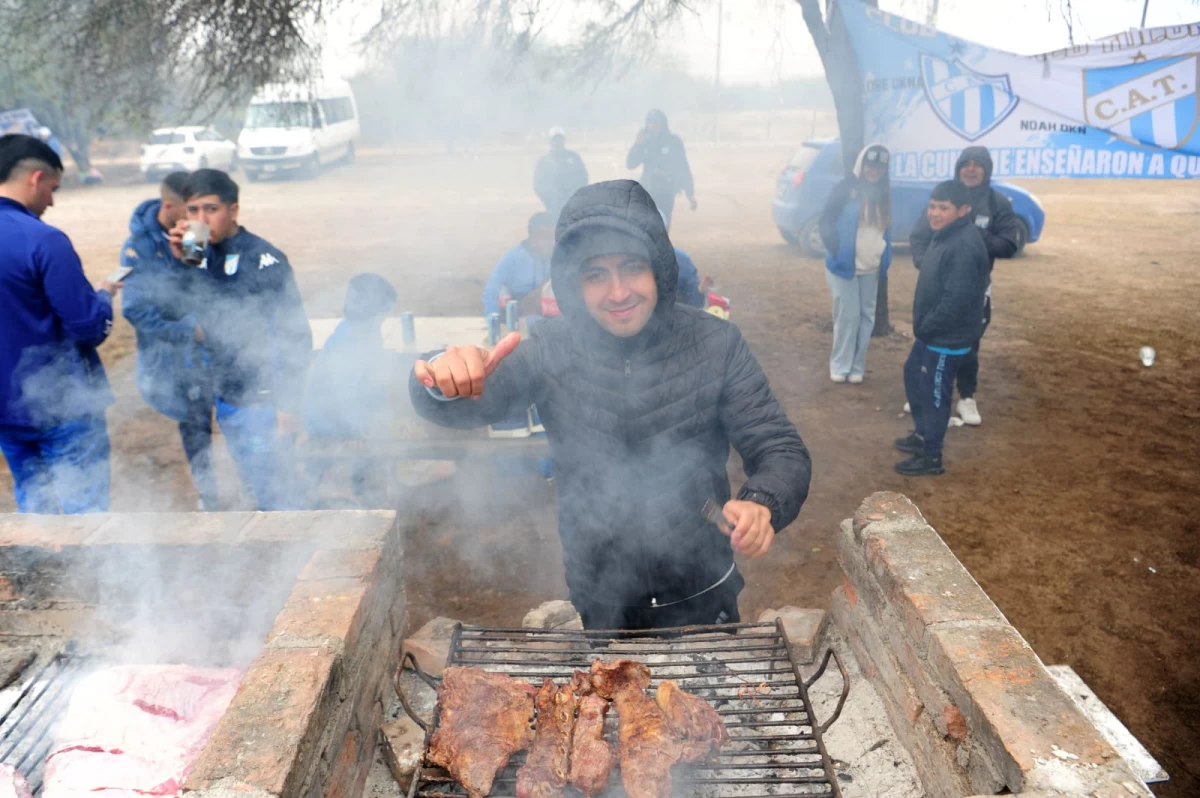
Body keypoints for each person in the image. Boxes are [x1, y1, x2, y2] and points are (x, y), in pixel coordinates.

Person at [410, 180, 811, 630]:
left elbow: (780, 449)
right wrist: (440, 375)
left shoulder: (716, 344)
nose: (618, 292)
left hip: (702, 590)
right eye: (595, 274)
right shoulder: (551, 347)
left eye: (632, 267)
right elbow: (464, 403)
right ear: (572, 283)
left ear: (658, 267)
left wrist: (762, 503)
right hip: (600, 595)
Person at [168, 169, 312, 510]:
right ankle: (276, 540)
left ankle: (296, 550)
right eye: (192, 211)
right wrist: (180, 264)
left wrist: (288, 404)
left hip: (264, 400)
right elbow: (181, 310)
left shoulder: (264, 259)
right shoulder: (198, 255)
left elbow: (294, 335)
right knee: (254, 481)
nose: (201, 219)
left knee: (276, 487)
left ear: (233, 210)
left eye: (210, 209)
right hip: (228, 396)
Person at [0, 134, 121, 513]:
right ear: (36, 179)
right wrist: (103, 297)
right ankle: (88, 574)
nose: (51, 201)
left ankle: (38, 570)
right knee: (85, 520)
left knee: (36, 509)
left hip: (5, 408)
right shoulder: (44, 240)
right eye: (52, 189)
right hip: (63, 404)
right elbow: (87, 327)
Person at [121, 171, 220, 511]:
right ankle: (210, 495)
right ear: (169, 205)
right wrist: (187, 331)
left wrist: (193, 257)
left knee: (228, 416)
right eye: (190, 210)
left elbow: (202, 287)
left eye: (202, 210)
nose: (197, 218)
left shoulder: (197, 235)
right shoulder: (140, 247)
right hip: (175, 359)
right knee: (195, 425)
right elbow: (137, 311)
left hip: (211, 351)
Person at [910, 146, 1020, 425]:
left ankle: (967, 397)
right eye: (965, 164)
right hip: (938, 287)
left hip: (976, 289)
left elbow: (1008, 245)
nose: (971, 169)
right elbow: (919, 236)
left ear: (987, 170)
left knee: (968, 344)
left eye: (977, 165)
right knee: (931, 336)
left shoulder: (997, 203)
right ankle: (928, 392)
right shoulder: (945, 196)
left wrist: (971, 230)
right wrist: (930, 264)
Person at [895, 180, 989, 477]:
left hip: (946, 337)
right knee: (913, 375)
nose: (934, 213)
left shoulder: (963, 244)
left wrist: (927, 326)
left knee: (936, 395)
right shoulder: (945, 234)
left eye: (943, 208)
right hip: (932, 333)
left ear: (963, 210)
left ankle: (932, 456)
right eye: (933, 206)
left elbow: (956, 300)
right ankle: (923, 435)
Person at [304, 273, 400, 502]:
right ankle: (351, 498)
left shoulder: (364, 330)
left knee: (370, 440)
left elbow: (366, 382)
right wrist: (352, 431)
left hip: (342, 415)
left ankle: (356, 491)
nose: (387, 315)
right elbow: (341, 391)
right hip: (327, 420)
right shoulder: (351, 340)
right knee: (357, 452)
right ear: (374, 308)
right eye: (386, 310)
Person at [818, 144, 892, 385]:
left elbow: (885, 230)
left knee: (866, 317)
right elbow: (826, 220)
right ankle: (840, 364)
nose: (874, 170)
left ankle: (857, 365)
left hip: (871, 267)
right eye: (870, 165)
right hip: (845, 266)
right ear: (862, 164)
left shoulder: (884, 193)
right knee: (847, 316)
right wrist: (836, 249)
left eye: (879, 166)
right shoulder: (845, 188)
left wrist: (885, 256)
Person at [625, 110, 696, 229]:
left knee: (662, 225)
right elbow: (630, 164)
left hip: (666, 191)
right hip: (647, 190)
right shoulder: (646, 142)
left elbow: (683, 168)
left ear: (663, 124)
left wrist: (690, 193)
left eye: (655, 123)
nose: (651, 126)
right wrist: (637, 144)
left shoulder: (673, 142)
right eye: (649, 123)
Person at [482, 212, 555, 318]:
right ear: (533, 238)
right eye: (546, 237)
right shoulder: (513, 258)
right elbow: (492, 294)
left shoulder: (561, 259)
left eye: (555, 237)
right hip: (519, 321)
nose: (553, 242)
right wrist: (495, 323)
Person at [533, 127, 589, 221]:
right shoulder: (544, 161)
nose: (557, 142)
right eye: (555, 140)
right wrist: (550, 201)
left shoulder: (573, 157)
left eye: (560, 139)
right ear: (550, 141)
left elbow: (583, 177)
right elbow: (538, 185)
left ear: (564, 141)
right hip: (553, 207)